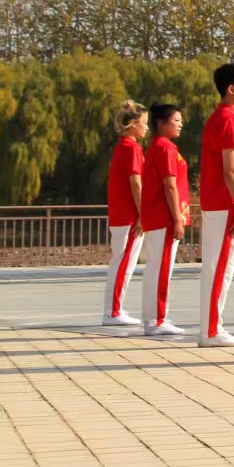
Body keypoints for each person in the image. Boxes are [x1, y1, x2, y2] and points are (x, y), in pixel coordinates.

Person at [197, 61, 234, 347]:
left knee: (219, 266)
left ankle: (212, 327)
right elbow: (230, 170)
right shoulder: (229, 120)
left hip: (221, 203)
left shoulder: (223, 117)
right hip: (226, 203)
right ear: (231, 89)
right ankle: (211, 331)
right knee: (220, 267)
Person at [137, 103, 191, 338]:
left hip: (158, 216)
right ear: (161, 123)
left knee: (155, 268)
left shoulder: (157, 146)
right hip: (164, 217)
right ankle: (156, 320)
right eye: (176, 120)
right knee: (161, 269)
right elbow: (170, 186)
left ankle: (155, 318)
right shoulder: (165, 148)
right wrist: (177, 218)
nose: (180, 124)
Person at [101, 100, 147, 327]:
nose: (146, 128)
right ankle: (113, 312)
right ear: (133, 124)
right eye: (144, 123)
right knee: (123, 264)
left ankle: (115, 309)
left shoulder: (122, 147)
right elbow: (136, 184)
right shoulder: (132, 149)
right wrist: (142, 214)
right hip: (129, 216)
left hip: (122, 214)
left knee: (121, 262)